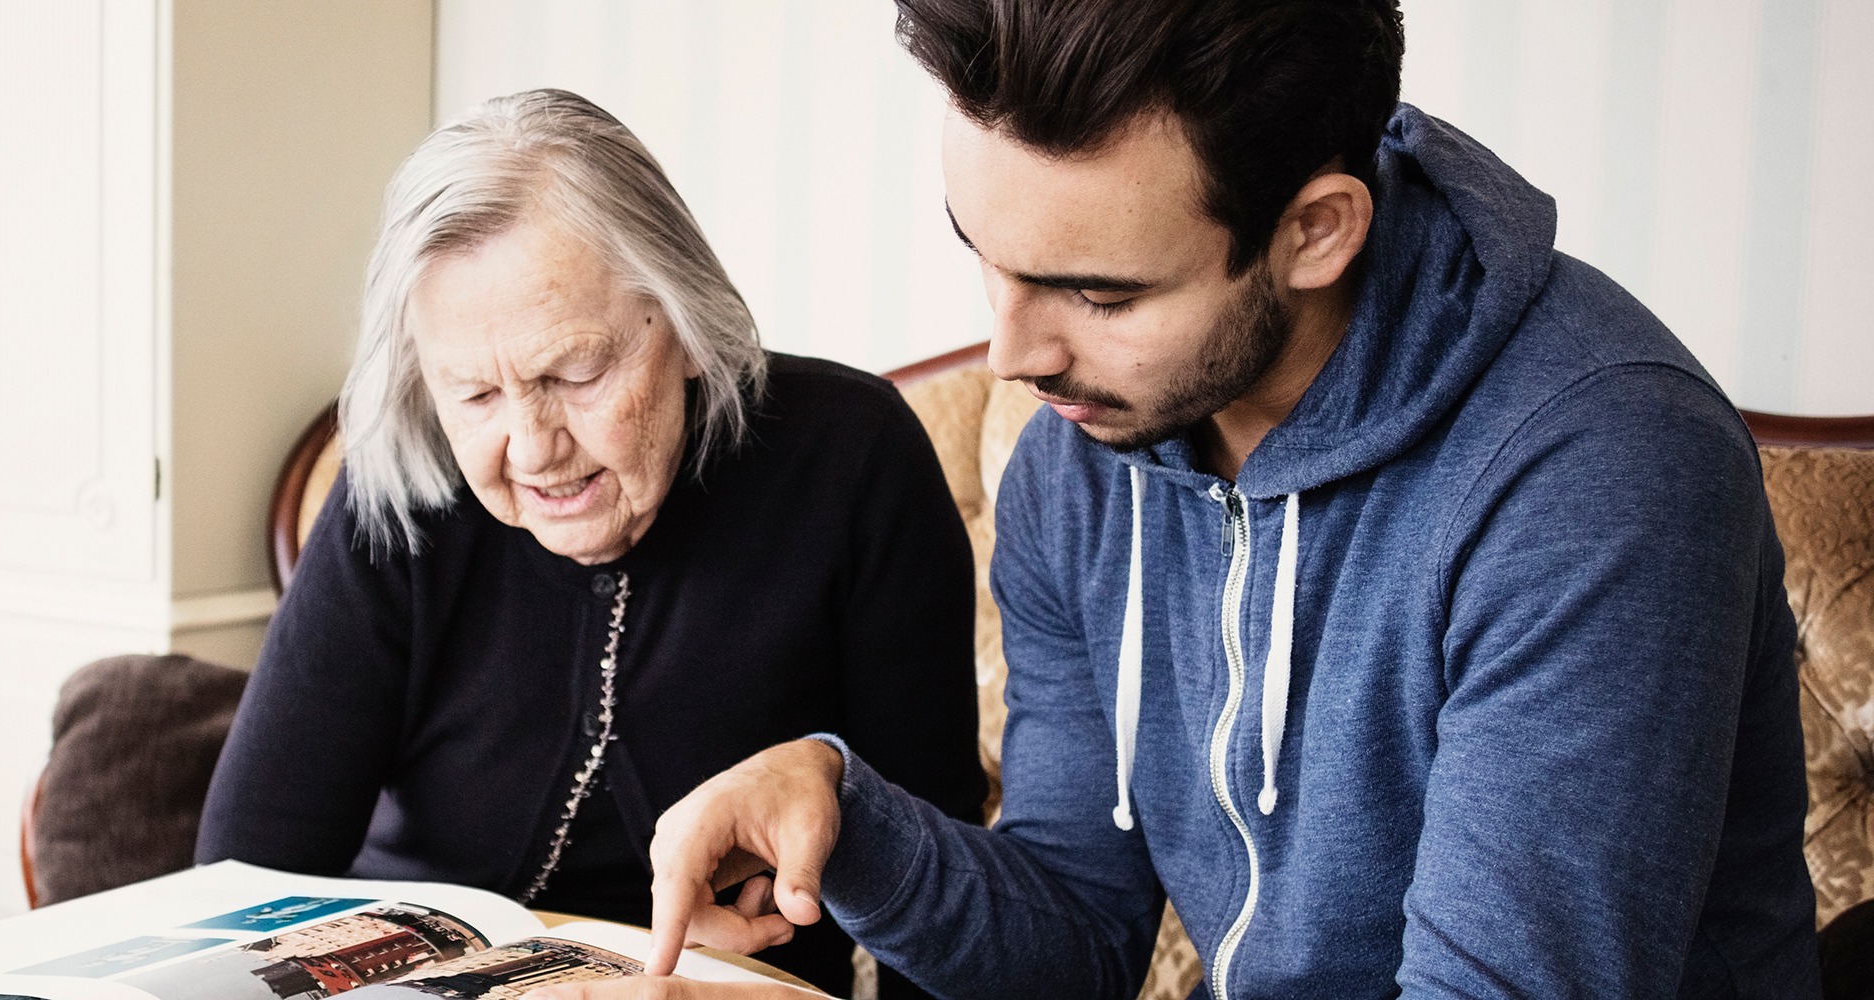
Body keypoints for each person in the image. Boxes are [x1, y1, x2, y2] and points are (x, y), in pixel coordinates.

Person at [531, 1, 1823, 997]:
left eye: (1099, 294)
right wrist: (846, 816)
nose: (1012, 356)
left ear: (1316, 230)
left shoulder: (1598, 464)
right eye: (983, 255)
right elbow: (1076, 942)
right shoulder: (1080, 463)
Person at [194, 88, 985, 998]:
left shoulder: (851, 459)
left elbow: (940, 888)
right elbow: (240, 896)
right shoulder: (399, 483)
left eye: (574, 371)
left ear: (687, 324)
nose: (532, 450)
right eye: (475, 396)